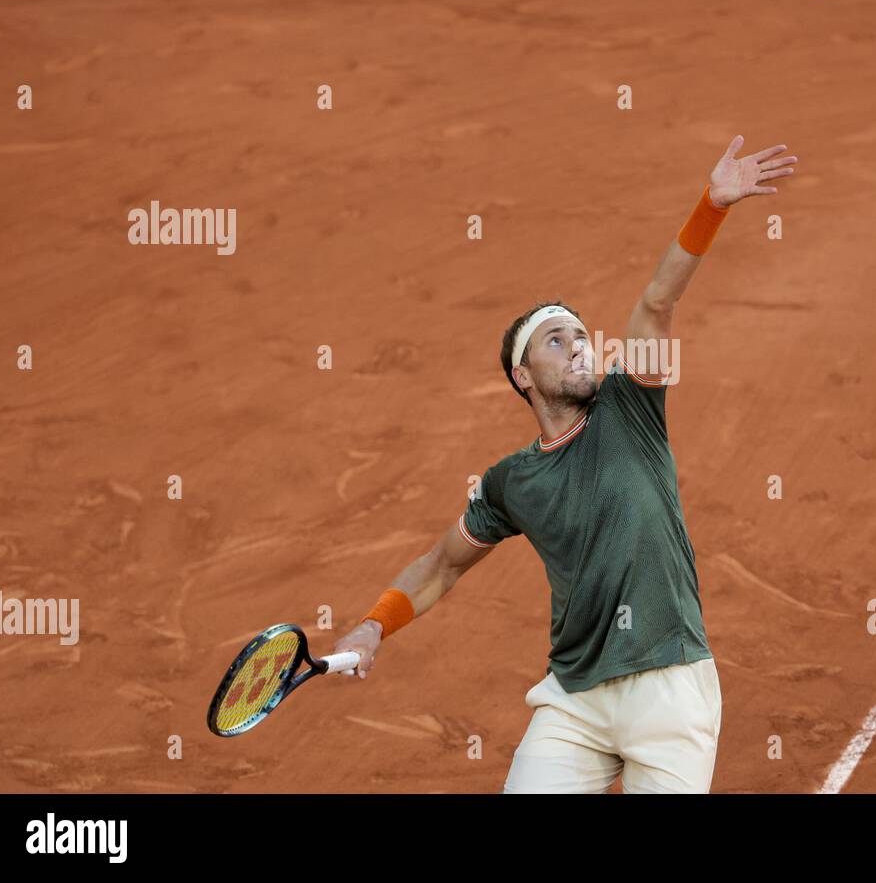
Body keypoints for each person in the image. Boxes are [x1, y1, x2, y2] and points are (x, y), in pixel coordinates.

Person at [333, 135, 798, 792]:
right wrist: (373, 625)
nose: (579, 347)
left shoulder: (629, 404)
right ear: (524, 376)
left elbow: (658, 303)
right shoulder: (509, 483)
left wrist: (712, 204)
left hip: (670, 690)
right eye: (558, 340)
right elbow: (442, 565)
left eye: (582, 335)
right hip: (575, 701)